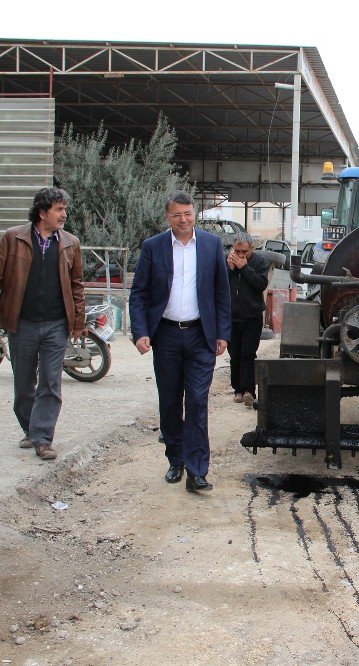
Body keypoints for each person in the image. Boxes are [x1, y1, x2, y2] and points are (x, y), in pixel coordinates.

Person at [130, 191, 232, 492]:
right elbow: (139, 293)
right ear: (168, 217)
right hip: (167, 335)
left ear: (194, 214)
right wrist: (140, 331)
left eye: (188, 214)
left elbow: (222, 294)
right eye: (177, 215)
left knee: (198, 401)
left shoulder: (212, 245)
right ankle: (175, 459)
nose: (183, 219)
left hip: (202, 335)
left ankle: (197, 470)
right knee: (171, 400)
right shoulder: (153, 247)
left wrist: (222, 333)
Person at [0, 187, 85, 461]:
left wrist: (78, 323)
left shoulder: (70, 243)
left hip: (56, 324)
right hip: (21, 323)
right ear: (42, 212)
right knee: (24, 383)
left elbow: (77, 286)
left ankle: (42, 438)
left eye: (64, 209)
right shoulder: (13, 238)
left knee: (51, 382)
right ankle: (31, 428)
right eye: (58, 210)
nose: (64, 214)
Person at [227, 233, 270, 407]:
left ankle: (249, 391)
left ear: (252, 249)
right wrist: (228, 268)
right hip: (231, 317)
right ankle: (237, 389)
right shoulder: (227, 261)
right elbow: (219, 284)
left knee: (248, 354)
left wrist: (244, 267)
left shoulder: (260, 262)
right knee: (234, 354)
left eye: (244, 251)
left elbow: (261, 284)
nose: (241, 254)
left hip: (252, 317)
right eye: (237, 251)